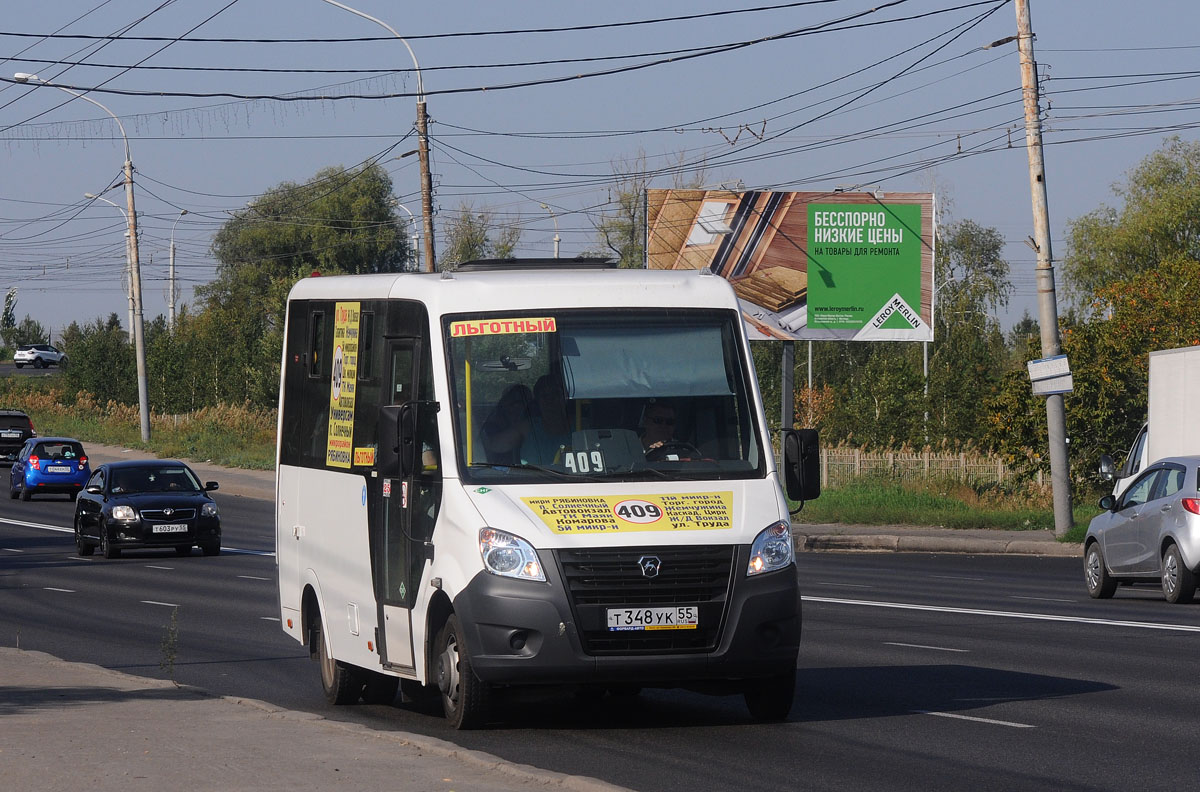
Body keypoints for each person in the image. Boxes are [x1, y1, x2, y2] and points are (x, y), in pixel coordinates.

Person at [520, 374, 572, 464]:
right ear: (538, 402)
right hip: (529, 478)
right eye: (544, 396)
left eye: (555, 394)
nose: (550, 399)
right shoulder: (528, 427)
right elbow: (496, 445)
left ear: (565, 398)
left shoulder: (583, 427)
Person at [480, 383, 533, 465]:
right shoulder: (490, 430)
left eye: (524, 402)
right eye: (513, 403)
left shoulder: (538, 428)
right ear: (503, 405)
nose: (517, 407)